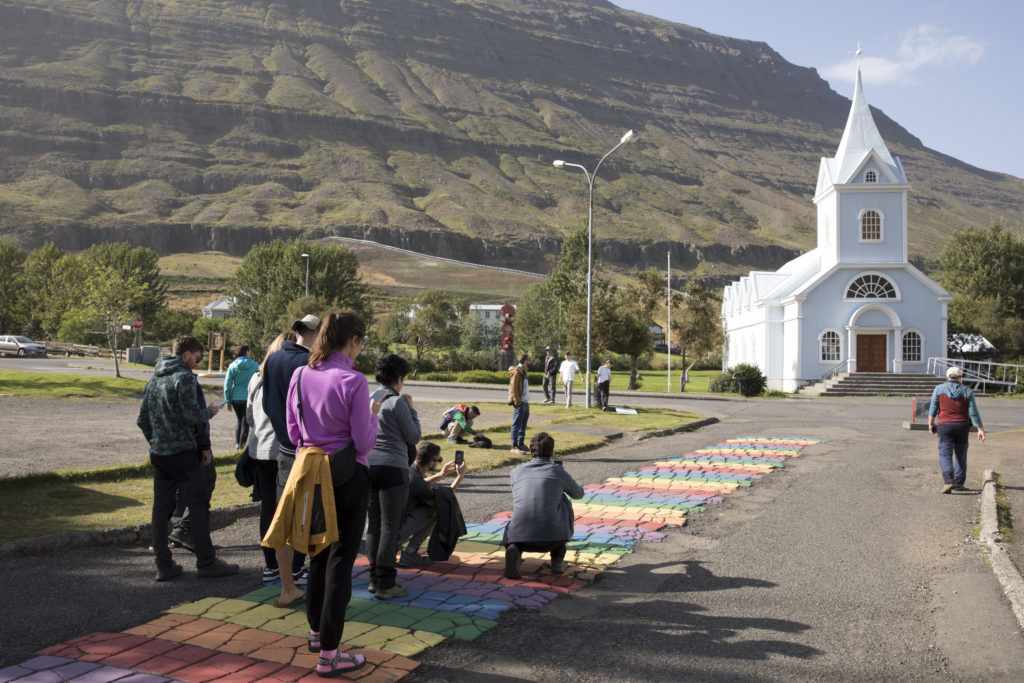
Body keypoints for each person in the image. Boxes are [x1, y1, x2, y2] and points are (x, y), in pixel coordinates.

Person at [285, 313, 379, 677]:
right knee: (341, 560)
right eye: (362, 341)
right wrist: (372, 416)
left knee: (316, 553)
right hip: (348, 474)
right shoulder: (354, 380)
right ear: (354, 340)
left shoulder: (301, 374)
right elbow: (364, 441)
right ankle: (330, 653)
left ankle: (315, 634)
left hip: (311, 472)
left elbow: (294, 433)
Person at [137, 335, 238, 581]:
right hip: (184, 453)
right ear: (185, 354)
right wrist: (210, 412)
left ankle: (163, 564)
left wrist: (156, 441)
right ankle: (206, 561)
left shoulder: (155, 380)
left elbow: (143, 420)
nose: (197, 362)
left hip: (160, 454)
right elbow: (192, 416)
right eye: (196, 357)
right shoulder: (184, 379)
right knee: (198, 505)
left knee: (160, 510)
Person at [262, 314, 321, 591]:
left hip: (282, 444)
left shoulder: (273, 359)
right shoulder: (307, 363)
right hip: (304, 447)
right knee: (305, 512)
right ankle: (297, 568)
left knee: (282, 510)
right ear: (316, 333)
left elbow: (267, 402)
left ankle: (281, 570)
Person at [246, 332, 305, 606]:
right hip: (283, 447)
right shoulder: (292, 373)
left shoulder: (256, 378)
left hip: (259, 448)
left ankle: (270, 565)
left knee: (268, 508)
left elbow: (248, 415)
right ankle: (292, 568)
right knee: (290, 511)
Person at [366, 353, 421, 600]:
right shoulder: (397, 402)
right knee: (390, 527)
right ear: (399, 378)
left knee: (374, 525)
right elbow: (414, 437)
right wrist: (412, 410)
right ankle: (386, 583)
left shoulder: (372, 397)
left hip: (369, 465)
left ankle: (374, 578)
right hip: (393, 467)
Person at [503, 432, 584, 580]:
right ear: (552, 452)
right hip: (553, 539)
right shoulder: (557, 471)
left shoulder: (515, 472)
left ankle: (513, 549)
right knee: (562, 501)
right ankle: (558, 559)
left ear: (530, 452)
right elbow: (578, 494)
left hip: (519, 536)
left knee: (520, 511)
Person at [396, 442, 467, 567]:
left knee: (429, 507)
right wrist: (460, 477)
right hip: (397, 530)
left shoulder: (410, 469)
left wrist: (440, 474)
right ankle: (409, 554)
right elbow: (442, 501)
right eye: (439, 459)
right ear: (430, 463)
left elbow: (421, 484)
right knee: (436, 511)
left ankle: (394, 546)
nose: (439, 462)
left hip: (389, 524)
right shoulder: (417, 481)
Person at [928, 366, 986, 494]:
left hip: (945, 425)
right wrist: (980, 429)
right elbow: (973, 412)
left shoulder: (939, 389)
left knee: (945, 453)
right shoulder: (967, 391)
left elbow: (933, 408)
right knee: (961, 454)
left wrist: (931, 423)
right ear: (961, 377)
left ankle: (948, 481)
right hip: (962, 425)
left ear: (948, 376)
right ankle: (959, 483)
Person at [224, 344, 259, 450]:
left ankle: (237, 443)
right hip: (248, 397)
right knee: (246, 422)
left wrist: (228, 401)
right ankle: (242, 445)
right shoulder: (254, 365)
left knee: (239, 420)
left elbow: (227, 385)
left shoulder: (232, 365)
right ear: (247, 352)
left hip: (235, 397)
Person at [508, 353, 531, 455]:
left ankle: (521, 443)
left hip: (525, 402)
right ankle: (514, 445)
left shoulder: (523, 372)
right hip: (520, 402)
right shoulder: (517, 372)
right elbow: (513, 388)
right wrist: (517, 402)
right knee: (516, 424)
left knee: (523, 424)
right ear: (525, 360)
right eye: (528, 360)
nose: (529, 362)